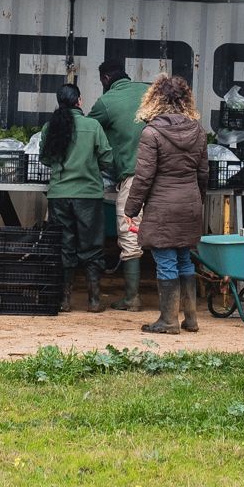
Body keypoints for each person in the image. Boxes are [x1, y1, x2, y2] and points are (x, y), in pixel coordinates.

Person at [121, 73, 206, 335]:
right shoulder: (198, 131)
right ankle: (190, 319)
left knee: (166, 261)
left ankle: (168, 321)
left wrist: (130, 210)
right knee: (185, 259)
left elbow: (144, 177)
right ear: (185, 101)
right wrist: (195, 199)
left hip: (162, 206)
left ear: (155, 100)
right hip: (189, 203)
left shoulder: (152, 133)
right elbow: (204, 174)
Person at [39, 82, 115, 311]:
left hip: (59, 195)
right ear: (79, 101)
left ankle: (64, 300)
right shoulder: (92, 126)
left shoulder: (50, 127)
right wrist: (90, 166)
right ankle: (94, 300)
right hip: (88, 195)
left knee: (64, 245)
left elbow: (44, 158)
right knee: (91, 246)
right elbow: (107, 159)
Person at [87, 60, 152, 307]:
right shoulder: (148, 92)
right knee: (169, 234)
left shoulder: (106, 102)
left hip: (133, 175)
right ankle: (173, 301)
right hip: (164, 177)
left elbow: (87, 128)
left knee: (130, 232)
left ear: (105, 80)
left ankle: (132, 298)